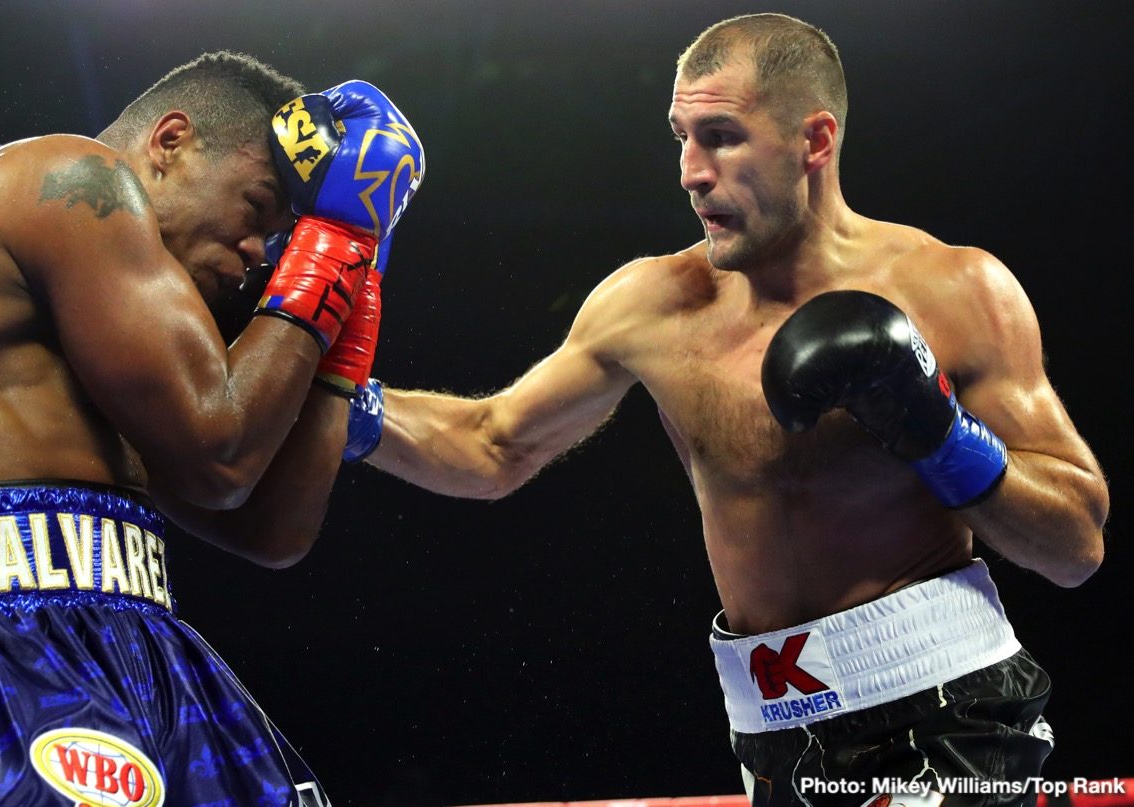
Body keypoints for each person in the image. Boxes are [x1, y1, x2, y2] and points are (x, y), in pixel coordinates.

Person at [350, 13, 1109, 806]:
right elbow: (493, 443)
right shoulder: (653, 303)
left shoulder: (955, 291)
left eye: (720, 135)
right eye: (680, 135)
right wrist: (338, 400)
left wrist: (937, 430)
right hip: (768, 729)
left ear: (814, 141)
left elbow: (1075, 543)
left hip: (946, 706)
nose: (690, 170)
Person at [0, 51, 422, 804]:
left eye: (283, 237)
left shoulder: (127, 339)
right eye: (259, 208)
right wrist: (331, 245)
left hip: (134, 645)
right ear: (170, 143)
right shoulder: (71, 178)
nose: (263, 255)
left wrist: (346, 310)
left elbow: (271, 527)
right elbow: (217, 456)